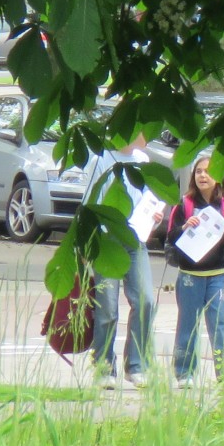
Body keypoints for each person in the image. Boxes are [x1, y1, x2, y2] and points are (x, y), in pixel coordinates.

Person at [158, 150, 224, 389]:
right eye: (199, 171)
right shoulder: (184, 204)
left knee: (219, 323)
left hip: (215, 275)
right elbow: (170, 236)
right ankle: (185, 372)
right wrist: (184, 227)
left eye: (208, 171)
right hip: (189, 276)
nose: (203, 176)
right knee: (188, 323)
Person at [82, 133, 160, 390]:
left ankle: (136, 365)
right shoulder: (101, 159)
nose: (143, 134)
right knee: (107, 308)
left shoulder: (142, 160)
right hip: (107, 240)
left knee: (146, 300)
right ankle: (104, 366)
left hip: (136, 239)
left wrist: (156, 214)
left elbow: (150, 199)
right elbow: (90, 202)